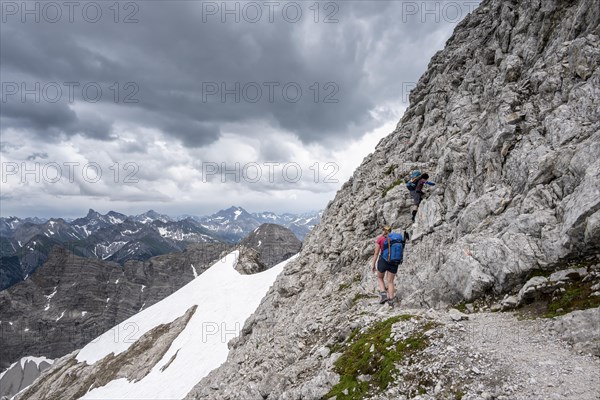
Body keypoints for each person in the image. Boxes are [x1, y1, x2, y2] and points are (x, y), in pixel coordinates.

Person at [372, 225, 398, 305]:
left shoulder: (380, 239)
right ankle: (391, 300)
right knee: (390, 281)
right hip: (394, 261)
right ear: (390, 231)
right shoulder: (395, 239)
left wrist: (373, 264)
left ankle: (383, 295)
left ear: (383, 230)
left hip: (383, 260)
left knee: (380, 277)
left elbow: (376, 253)